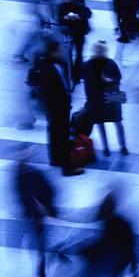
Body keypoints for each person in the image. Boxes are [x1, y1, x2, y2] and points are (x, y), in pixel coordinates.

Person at [29, 39, 83, 176]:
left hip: (53, 105)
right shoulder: (49, 67)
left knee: (53, 132)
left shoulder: (51, 63)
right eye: (60, 50)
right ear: (53, 52)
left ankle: (55, 159)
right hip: (57, 106)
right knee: (62, 135)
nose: (63, 51)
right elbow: (53, 88)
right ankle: (67, 167)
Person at [14, 144, 58, 277]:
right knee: (37, 246)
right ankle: (42, 276)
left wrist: (44, 207)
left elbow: (50, 191)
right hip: (30, 216)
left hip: (38, 217)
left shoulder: (34, 173)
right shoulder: (18, 172)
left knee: (39, 247)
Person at [82, 41, 129, 157]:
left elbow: (117, 77)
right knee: (115, 122)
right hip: (109, 96)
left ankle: (110, 147)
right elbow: (118, 77)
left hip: (99, 98)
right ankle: (118, 146)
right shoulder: (107, 63)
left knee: (105, 123)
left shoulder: (88, 65)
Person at [57, 0, 92, 85]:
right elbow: (60, 19)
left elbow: (87, 13)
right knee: (70, 54)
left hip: (78, 31)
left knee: (78, 54)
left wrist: (78, 16)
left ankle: (75, 75)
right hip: (70, 31)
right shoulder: (63, 5)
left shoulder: (77, 4)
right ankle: (72, 73)